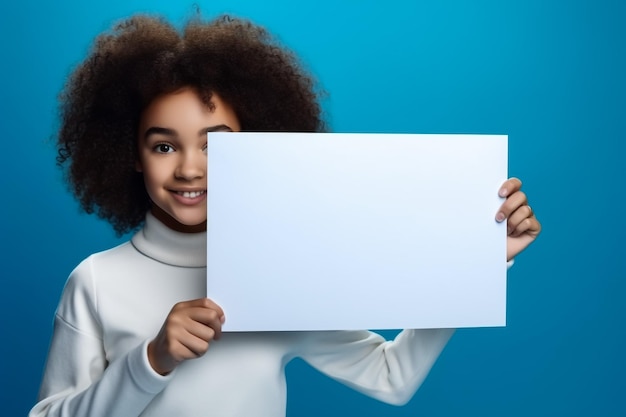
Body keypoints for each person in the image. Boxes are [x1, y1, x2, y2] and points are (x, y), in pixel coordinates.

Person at [30, 14, 541, 417]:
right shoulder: (95, 282)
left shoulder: (281, 275)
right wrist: (152, 361)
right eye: (164, 146)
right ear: (129, 155)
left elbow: (392, 377)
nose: (189, 168)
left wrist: (478, 262)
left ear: (256, 146)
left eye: (215, 147)